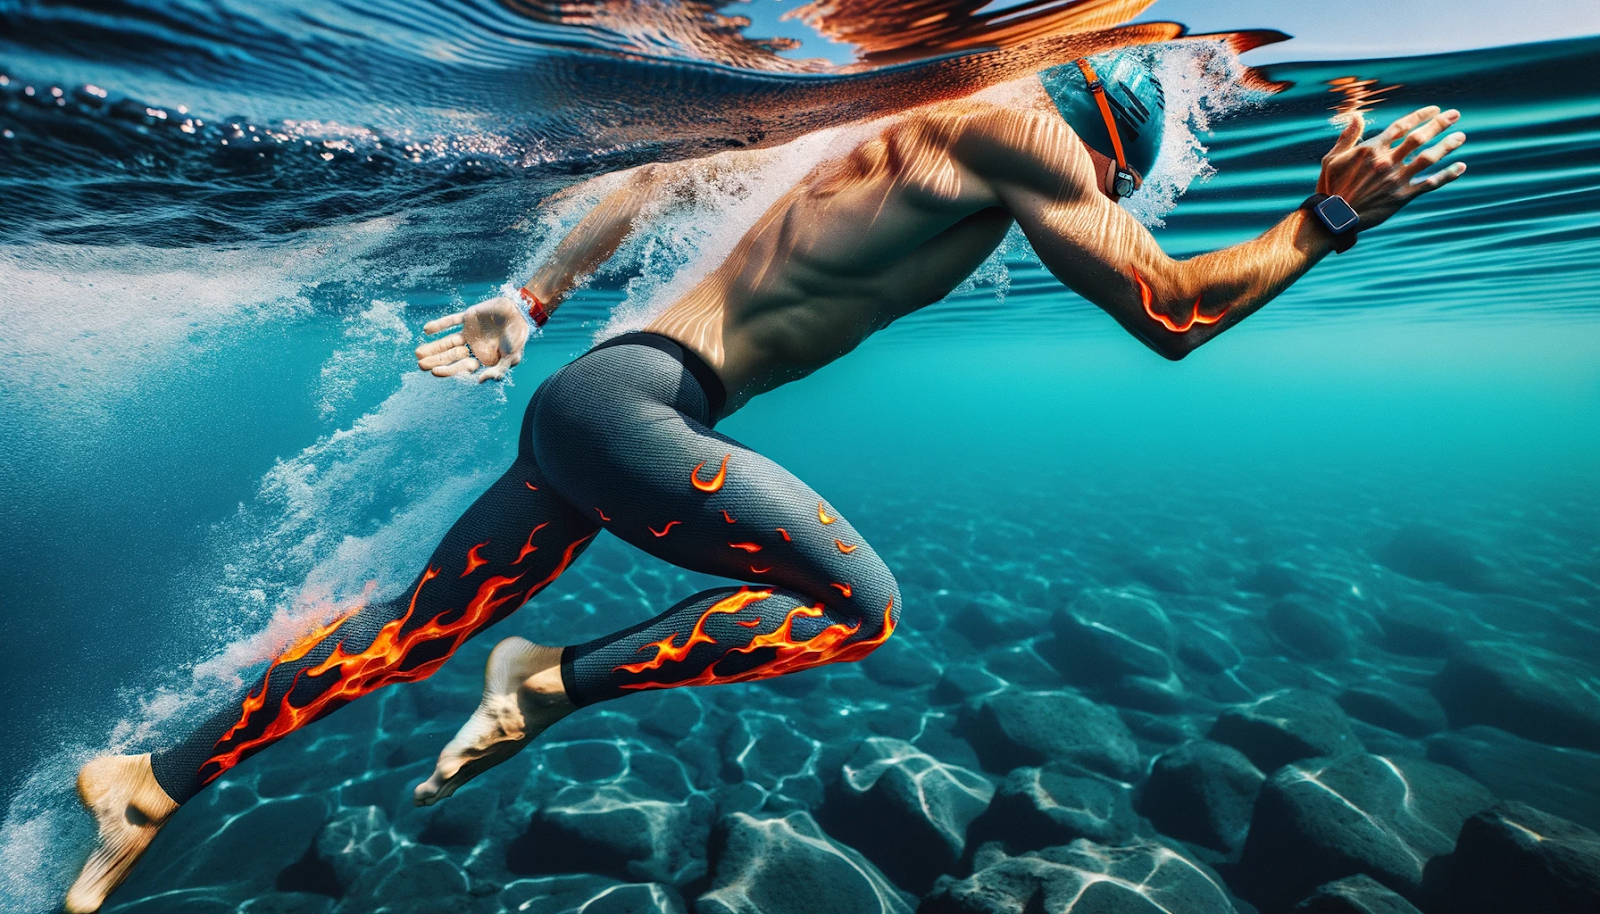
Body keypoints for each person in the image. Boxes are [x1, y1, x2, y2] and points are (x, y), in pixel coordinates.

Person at [65, 52, 1467, 912]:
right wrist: (1330, 213)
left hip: (597, 399)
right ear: (1104, 127)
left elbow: (665, 183)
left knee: (390, 643)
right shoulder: (1025, 129)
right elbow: (1170, 310)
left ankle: (149, 777)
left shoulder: (869, 130)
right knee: (859, 606)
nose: (1097, 192)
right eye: (1112, 172)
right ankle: (549, 682)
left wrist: (533, 299)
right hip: (643, 413)